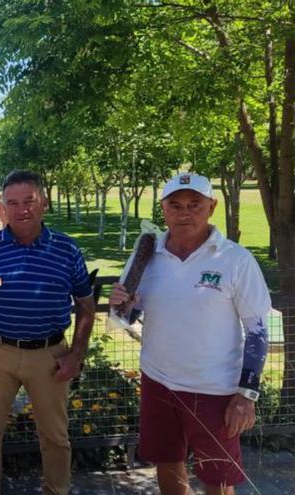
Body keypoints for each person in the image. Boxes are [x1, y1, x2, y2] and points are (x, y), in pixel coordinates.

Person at [109, 173, 271, 495]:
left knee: (219, 477)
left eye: (195, 205)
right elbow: (129, 315)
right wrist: (121, 305)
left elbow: (258, 330)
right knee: (167, 461)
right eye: (175, 205)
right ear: (163, 210)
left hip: (214, 388)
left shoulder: (235, 259)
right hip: (157, 380)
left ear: (211, 207)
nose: (185, 213)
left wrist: (246, 395)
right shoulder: (147, 255)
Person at [0, 170, 95, 495]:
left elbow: (86, 306)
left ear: (44, 203)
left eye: (29, 201)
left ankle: (57, 491)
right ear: (3, 209)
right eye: (12, 203)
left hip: (50, 356)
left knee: (55, 436)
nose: (21, 210)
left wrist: (76, 354)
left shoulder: (67, 250)